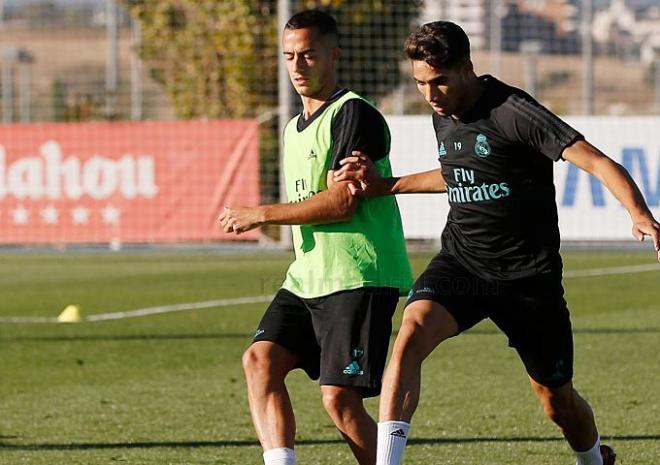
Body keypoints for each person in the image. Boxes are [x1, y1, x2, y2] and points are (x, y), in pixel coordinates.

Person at [333, 21, 660, 465]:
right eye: (420, 83)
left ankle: (593, 461)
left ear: (467, 68)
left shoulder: (514, 110)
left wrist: (640, 214)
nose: (430, 94)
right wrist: (386, 186)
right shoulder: (442, 111)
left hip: (529, 280)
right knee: (409, 335)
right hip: (463, 264)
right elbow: (459, 171)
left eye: (439, 81)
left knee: (557, 402)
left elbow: (599, 162)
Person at [219, 10, 413, 465]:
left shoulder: (354, 115)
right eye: (289, 56)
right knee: (259, 362)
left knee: (339, 401)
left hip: (359, 274)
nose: (298, 66)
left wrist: (262, 214)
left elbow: (343, 201)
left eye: (308, 55)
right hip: (309, 276)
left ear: (333, 55)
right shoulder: (293, 127)